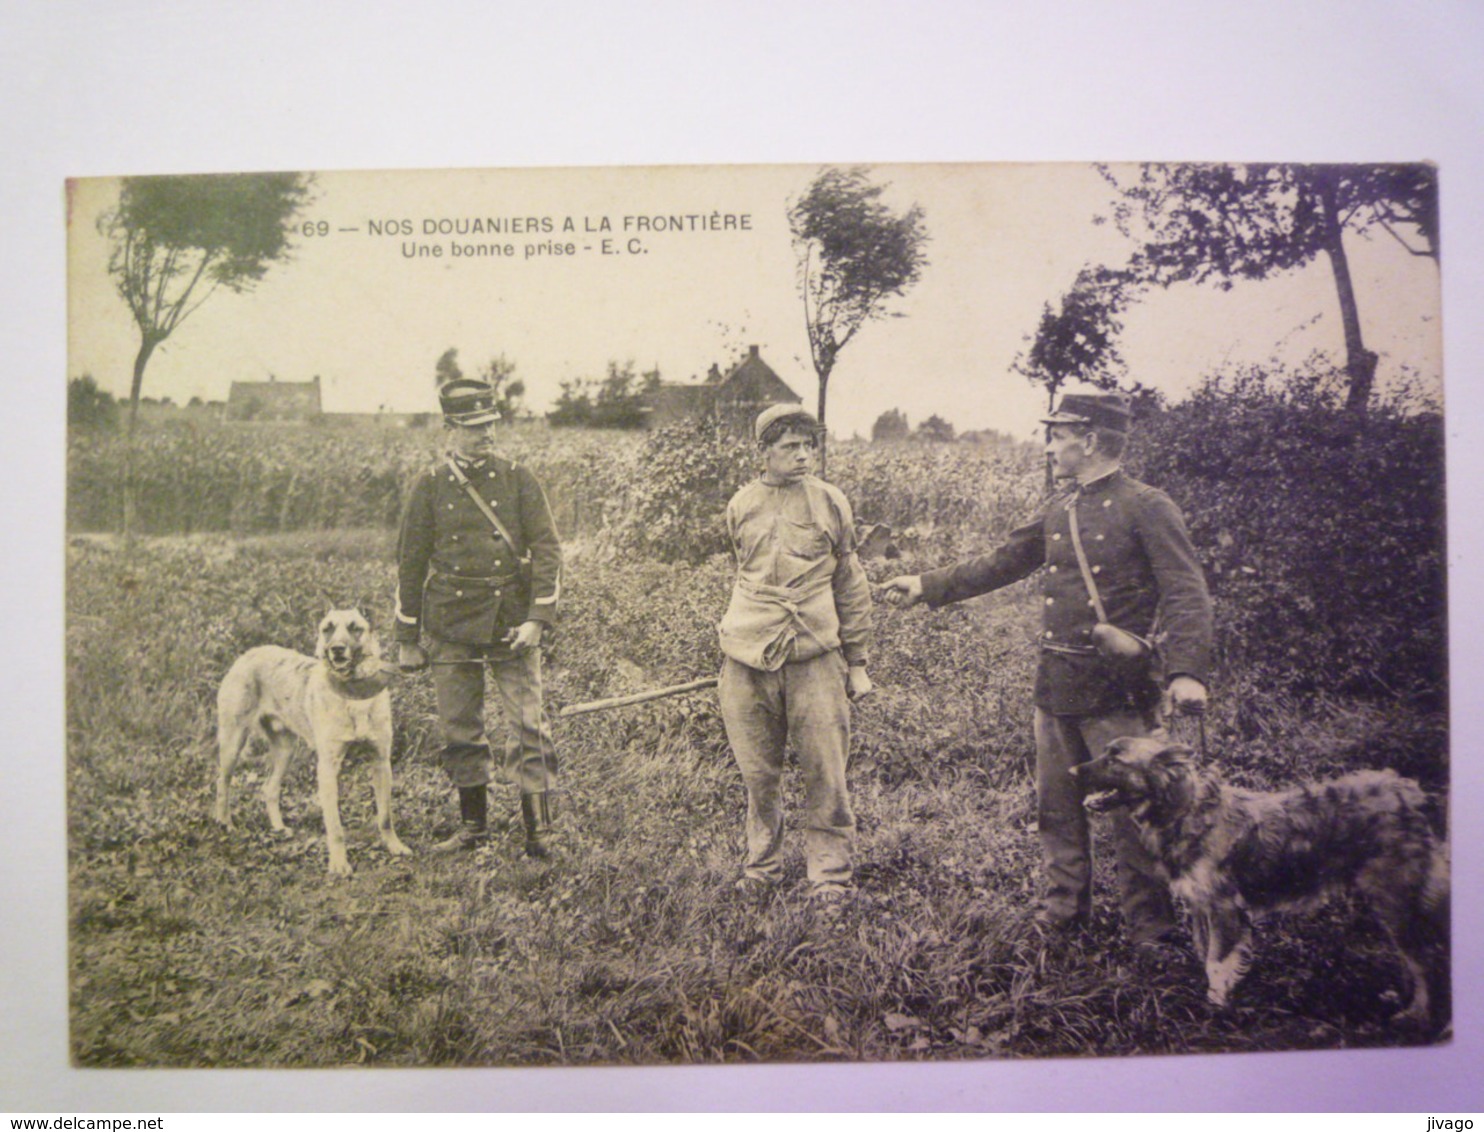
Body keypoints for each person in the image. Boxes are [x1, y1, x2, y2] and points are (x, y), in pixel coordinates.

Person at [882, 392, 1212, 955]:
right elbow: (1005, 560)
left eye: (1058, 435)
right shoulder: (1060, 507)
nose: (1050, 445)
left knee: (1134, 815)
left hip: (1117, 690)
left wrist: (1186, 672)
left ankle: (1151, 931)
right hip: (1056, 682)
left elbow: (1187, 592)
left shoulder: (1148, 506)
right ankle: (1063, 913)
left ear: (1089, 440)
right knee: (1056, 805)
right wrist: (929, 585)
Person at [394, 377, 563, 859]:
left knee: (529, 723)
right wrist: (407, 637)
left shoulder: (518, 478)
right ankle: (473, 828)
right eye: (472, 427)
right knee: (459, 726)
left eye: (490, 424)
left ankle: (541, 832)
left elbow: (548, 550)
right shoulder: (428, 487)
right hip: (450, 623)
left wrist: (537, 619)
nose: (485, 435)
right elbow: (410, 563)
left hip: (511, 621)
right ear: (450, 428)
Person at [717, 404, 874, 902]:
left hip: (815, 660)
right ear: (763, 453)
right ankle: (762, 867)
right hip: (747, 659)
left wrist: (859, 663)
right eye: (790, 447)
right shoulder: (741, 503)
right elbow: (745, 571)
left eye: (809, 445)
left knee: (826, 771)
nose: (804, 455)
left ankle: (830, 877)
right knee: (758, 774)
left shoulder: (831, 502)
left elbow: (850, 584)